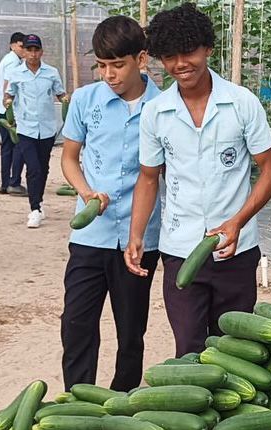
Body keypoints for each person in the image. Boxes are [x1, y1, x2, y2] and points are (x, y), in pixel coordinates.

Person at [126, 3, 271, 357]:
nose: (181, 64)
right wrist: (136, 235)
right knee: (190, 351)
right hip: (181, 249)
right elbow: (149, 178)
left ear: (208, 49)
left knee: (237, 349)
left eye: (189, 52)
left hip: (236, 251)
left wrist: (238, 221)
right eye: (169, 56)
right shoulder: (156, 113)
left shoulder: (241, 104)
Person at [59, 16, 162, 392]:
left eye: (118, 65)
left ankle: (122, 404)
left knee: (131, 331)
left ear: (141, 59)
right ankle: (78, 403)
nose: (109, 75)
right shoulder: (86, 101)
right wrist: (86, 192)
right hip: (91, 235)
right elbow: (69, 157)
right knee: (76, 325)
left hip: (140, 240)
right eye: (102, 65)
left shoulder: (163, 106)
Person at [5, 34, 67, 229]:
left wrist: (66, 99)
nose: (32, 54)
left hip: (47, 128)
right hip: (25, 128)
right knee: (33, 168)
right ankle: (34, 209)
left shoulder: (51, 72)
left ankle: (38, 203)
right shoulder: (16, 73)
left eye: (36, 50)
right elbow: (9, 94)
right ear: (23, 52)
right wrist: (7, 102)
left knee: (43, 167)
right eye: (29, 50)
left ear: (41, 51)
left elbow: (60, 92)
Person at [0, 31, 26, 196]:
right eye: (21, 46)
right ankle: (14, 182)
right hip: (7, 110)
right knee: (18, 145)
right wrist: (12, 109)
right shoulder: (13, 62)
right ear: (13, 45)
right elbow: (8, 87)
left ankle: (6, 183)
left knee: (8, 146)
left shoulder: (10, 59)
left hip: (0, 108)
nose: (23, 49)